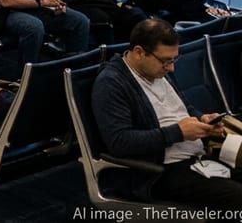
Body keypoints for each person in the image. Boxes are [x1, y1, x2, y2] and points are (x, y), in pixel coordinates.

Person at [93, 19, 242, 208]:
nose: (171, 68)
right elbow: (119, 142)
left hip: (196, 155)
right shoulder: (112, 84)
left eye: (174, 60)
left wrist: (202, 119)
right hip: (160, 170)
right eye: (166, 61)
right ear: (139, 52)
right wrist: (178, 133)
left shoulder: (157, 71)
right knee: (237, 197)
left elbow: (183, 107)